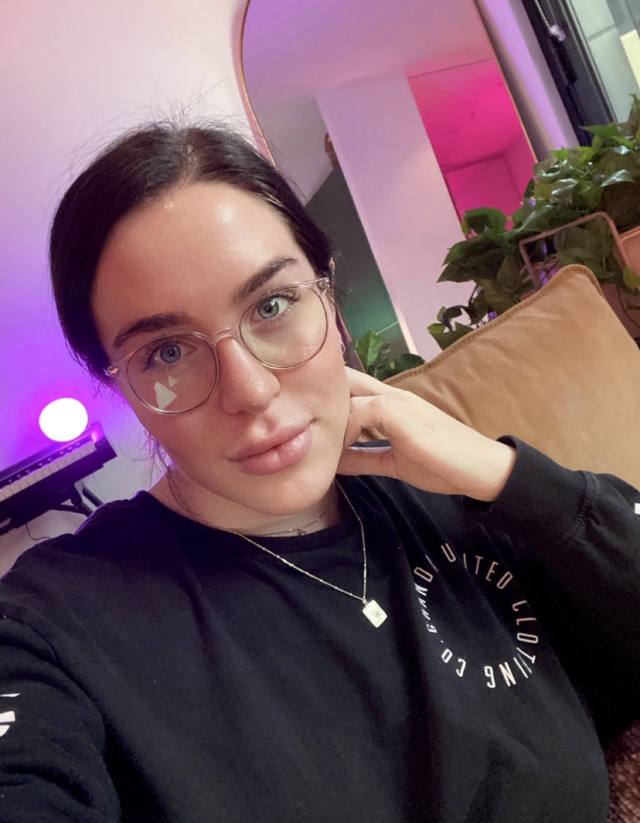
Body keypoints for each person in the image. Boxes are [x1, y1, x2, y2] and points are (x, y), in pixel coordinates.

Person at [0, 122, 638, 823]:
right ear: (117, 385)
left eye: (271, 305)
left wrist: (507, 474)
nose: (250, 390)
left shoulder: (456, 499)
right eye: (167, 352)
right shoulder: (54, 622)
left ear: (328, 296)